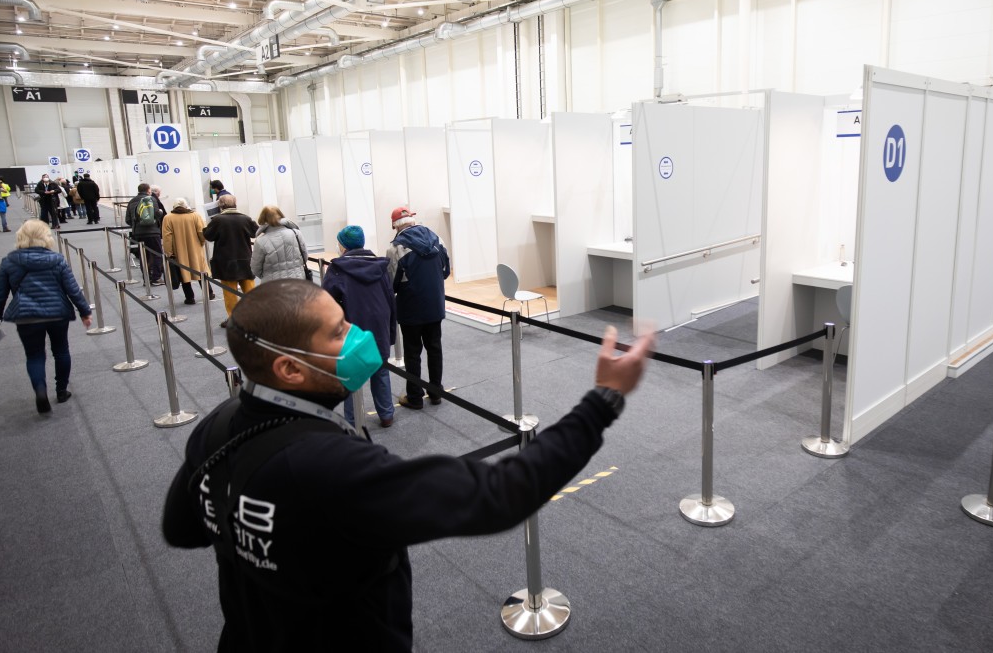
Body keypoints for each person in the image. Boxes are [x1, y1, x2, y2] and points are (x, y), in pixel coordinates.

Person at [161, 278, 653, 651]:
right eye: (338, 333)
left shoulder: (217, 426)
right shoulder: (330, 468)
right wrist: (603, 399)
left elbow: (182, 528)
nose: (357, 336)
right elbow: (500, 493)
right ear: (289, 368)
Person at [0, 219, 93, 414]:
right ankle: (61, 391)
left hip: (26, 316)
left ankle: (40, 390)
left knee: (34, 355)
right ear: (46, 237)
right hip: (57, 313)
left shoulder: (9, 261)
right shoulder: (57, 260)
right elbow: (72, 289)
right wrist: (85, 311)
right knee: (61, 350)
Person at [322, 225, 395, 428]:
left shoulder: (337, 269)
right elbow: (390, 299)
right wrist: (390, 331)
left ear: (344, 246)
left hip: (351, 324)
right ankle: (387, 415)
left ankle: (352, 421)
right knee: (380, 370)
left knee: (350, 374)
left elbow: (325, 302)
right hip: (379, 323)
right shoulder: (380, 266)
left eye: (339, 243)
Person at [385, 207, 450, 410]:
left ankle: (414, 397)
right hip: (435, 304)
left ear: (394, 226)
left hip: (410, 308)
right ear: (413, 220)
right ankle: (436, 392)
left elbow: (391, 284)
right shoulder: (437, 239)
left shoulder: (395, 248)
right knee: (435, 347)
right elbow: (446, 271)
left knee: (412, 353)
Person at [203, 194, 258, 324]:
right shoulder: (246, 218)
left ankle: (234, 319)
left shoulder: (217, 220)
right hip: (245, 259)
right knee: (249, 290)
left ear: (220, 206)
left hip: (225, 260)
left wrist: (206, 226)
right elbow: (255, 232)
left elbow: (209, 236)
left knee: (230, 293)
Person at [162, 197, 214, 304]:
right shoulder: (195, 215)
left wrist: (169, 253)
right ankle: (209, 293)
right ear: (186, 205)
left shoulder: (168, 218)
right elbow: (201, 232)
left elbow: (167, 237)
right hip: (196, 249)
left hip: (179, 251)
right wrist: (201, 243)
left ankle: (190, 297)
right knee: (200, 271)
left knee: (183, 273)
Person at [250, 205, 309, 282]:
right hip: (297, 280)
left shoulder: (260, 241)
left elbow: (255, 268)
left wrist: (267, 276)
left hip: (273, 284)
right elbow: (305, 256)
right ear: (281, 215)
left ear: (263, 218)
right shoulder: (296, 233)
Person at [125, 182, 165, 285]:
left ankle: (146, 278)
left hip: (138, 234)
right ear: (148, 191)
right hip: (152, 232)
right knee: (157, 254)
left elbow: (128, 219)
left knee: (143, 256)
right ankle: (156, 278)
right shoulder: (151, 199)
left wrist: (136, 226)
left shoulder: (132, 201)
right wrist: (160, 213)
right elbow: (156, 214)